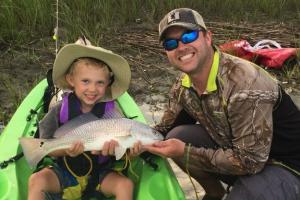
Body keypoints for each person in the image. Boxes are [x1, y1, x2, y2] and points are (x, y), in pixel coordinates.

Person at [144, 8, 300, 200]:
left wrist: (185, 152)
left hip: (286, 166)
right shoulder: (182, 87)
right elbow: (162, 131)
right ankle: (214, 194)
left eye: (189, 35)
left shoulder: (246, 84)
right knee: (177, 135)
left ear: (208, 37)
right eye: (170, 43)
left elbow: (250, 162)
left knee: (251, 192)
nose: (181, 46)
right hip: (240, 153)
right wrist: (130, 141)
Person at [28, 37, 141, 200]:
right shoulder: (58, 110)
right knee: (36, 180)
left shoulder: (114, 113)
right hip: (65, 173)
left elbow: (123, 151)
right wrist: (66, 150)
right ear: (71, 80)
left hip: (101, 174)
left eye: (100, 82)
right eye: (86, 81)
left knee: (125, 185)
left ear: (108, 83)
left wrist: (131, 153)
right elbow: (46, 146)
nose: (92, 89)